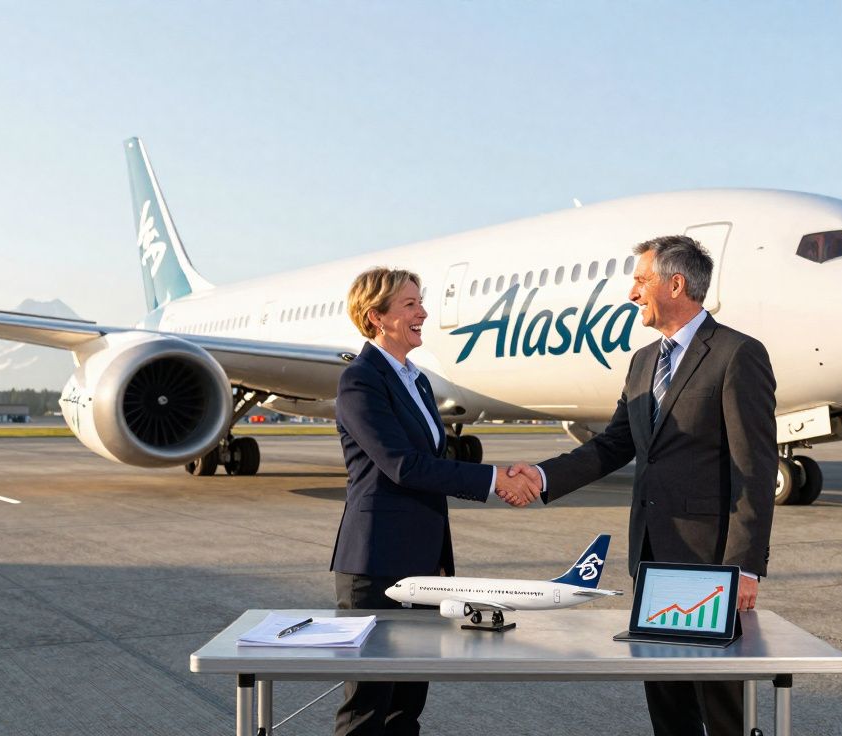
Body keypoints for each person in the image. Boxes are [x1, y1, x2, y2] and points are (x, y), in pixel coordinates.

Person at [508, 235, 777, 736]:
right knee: (668, 706)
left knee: (723, 708)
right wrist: (543, 477)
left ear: (676, 284)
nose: (631, 293)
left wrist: (743, 567)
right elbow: (613, 444)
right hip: (652, 560)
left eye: (640, 280)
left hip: (708, 565)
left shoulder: (737, 355)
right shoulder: (642, 361)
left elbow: (754, 470)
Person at [332, 267, 537, 736]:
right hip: (375, 563)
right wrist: (493, 478)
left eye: (420, 301)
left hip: (424, 563)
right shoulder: (360, 381)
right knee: (367, 706)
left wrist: (440, 560)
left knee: (408, 704)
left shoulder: (417, 381)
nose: (423, 312)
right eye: (409, 305)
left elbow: (430, 465)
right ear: (376, 317)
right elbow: (402, 465)